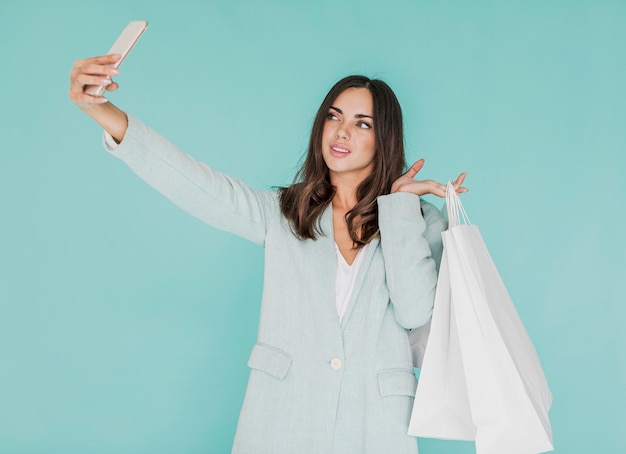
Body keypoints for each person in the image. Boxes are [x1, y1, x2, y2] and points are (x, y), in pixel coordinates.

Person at [69, 53, 467, 454]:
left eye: (361, 123)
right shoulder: (284, 214)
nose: (341, 132)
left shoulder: (417, 221)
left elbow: (415, 312)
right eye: (334, 117)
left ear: (385, 138)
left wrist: (398, 207)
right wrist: (101, 109)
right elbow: (194, 183)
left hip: (374, 427)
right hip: (283, 421)